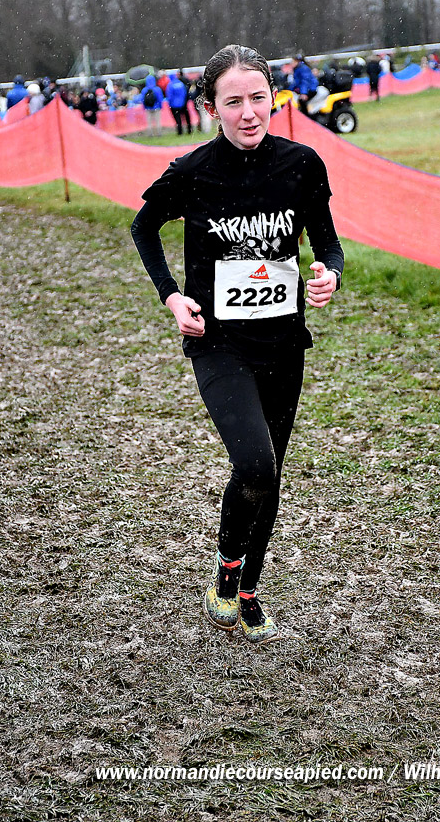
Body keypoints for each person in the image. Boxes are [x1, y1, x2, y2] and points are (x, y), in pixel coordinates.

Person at [131, 44, 344, 644]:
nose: (248, 112)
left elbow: (328, 244)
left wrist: (329, 273)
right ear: (210, 107)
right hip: (218, 343)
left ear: (273, 96)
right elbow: (144, 226)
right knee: (253, 463)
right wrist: (173, 297)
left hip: (283, 342)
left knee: (269, 475)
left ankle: (246, 589)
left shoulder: (302, 164)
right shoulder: (193, 172)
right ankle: (228, 566)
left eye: (257, 98)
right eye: (233, 101)